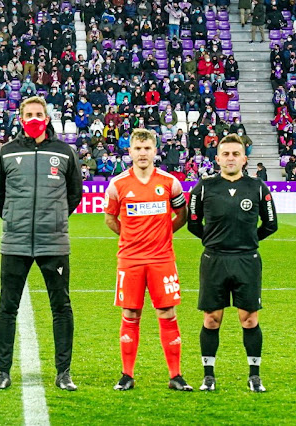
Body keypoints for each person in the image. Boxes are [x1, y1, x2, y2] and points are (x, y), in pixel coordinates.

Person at [0, 96, 83, 391]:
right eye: (29, 114)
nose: (34, 118)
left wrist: (52, 220)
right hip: (15, 242)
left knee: (61, 306)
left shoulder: (65, 152)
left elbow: (74, 194)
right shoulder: (5, 152)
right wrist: (15, 218)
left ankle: (63, 372)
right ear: (20, 117)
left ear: (48, 116)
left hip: (53, 243)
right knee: (7, 307)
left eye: (39, 114)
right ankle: (2, 372)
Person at [187, 134, 278, 392]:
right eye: (225, 154)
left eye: (235, 154)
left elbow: (271, 224)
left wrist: (248, 241)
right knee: (212, 319)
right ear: (217, 158)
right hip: (214, 260)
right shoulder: (203, 187)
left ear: (244, 158)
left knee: (249, 319)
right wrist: (214, 241)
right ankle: (208, 376)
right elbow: (193, 223)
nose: (230, 158)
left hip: (247, 260)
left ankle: (254, 375)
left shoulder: (258, 187)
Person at [104, 128, 192, 391]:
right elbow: (110, 218)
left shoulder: (169, 182)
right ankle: (127, 375)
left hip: (162, 259)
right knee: (130, 312)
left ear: (155, 151)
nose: (142, 153)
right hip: (130, 259)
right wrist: (130, 237)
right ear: (130, 152)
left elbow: (182, 214)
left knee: (167, 312)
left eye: (147, 148)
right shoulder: (117, 184)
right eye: (138, 149)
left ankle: (175, 376)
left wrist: (163, 234)